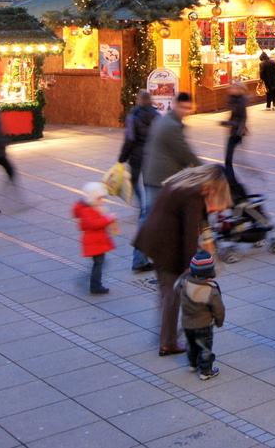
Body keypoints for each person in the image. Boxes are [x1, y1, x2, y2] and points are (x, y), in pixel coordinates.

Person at [133, 164, 232, 356]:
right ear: (212, 184)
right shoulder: (193, 195)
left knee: (167, 292)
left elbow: (199, 220)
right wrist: (192, 267)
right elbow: (189, 234)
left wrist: (207, 239)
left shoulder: (183, 181)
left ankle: (165, 335)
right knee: (172, 294)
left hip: (154, 239)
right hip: (165, 245)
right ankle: (168, 343)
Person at [119, 90, 159, 271]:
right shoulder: (157, 115)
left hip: (136, 156)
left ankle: (141, 203)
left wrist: (121, 158)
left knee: (135, 183)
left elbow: (129, 139)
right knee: (148, 191)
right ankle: (144, 206)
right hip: (151, 160)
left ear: (138, 100)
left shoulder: (133, 116)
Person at [175, 249, 225, 380]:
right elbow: (219, 309)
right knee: (205, 348)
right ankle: (206, 371)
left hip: (187, 323)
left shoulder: (184, 283)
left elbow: (176, 288)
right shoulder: (211, 289)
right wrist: (219, 321)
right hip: (204, 325)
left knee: (191, 344)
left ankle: (192, 364)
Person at [74, 182, 117, 294]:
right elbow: (94, 224)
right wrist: (108, 219)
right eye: (100, 198)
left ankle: (94, 283)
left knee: (99, 263)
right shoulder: (87, 210)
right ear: (93, 198)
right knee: (99, 263)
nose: (102, 201)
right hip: (94, 242)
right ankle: (95, 285)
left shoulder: (91, 208)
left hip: (96, 241)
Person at [222, 82, 248, 197]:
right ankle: (231, 181)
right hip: (235, 132)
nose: (230, 89)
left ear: (240, 90)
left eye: (234, 87)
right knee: (229, 160)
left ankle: (232, 183)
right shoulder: (235, 99)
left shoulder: (240, 101)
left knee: (228, 160)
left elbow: (241, 118)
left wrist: (227, 123)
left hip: (236, 133)